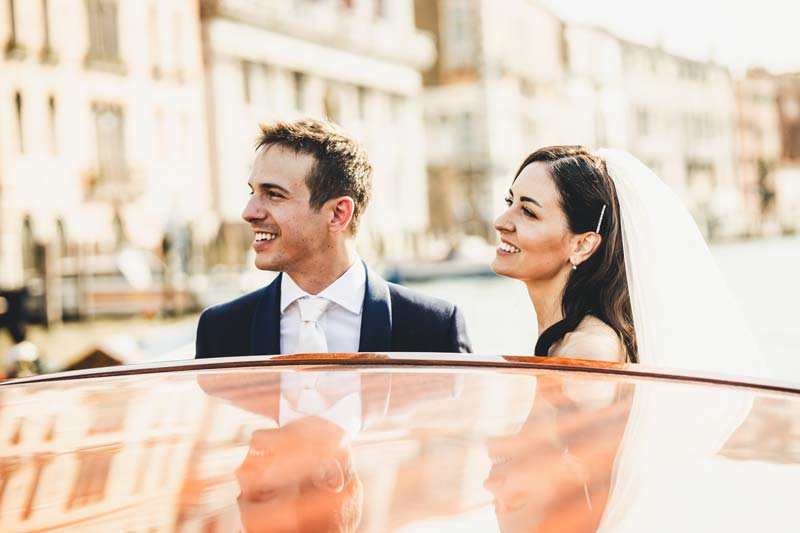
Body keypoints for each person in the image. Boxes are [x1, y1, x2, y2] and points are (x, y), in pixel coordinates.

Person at [195, 119, 472, 358]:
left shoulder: (434, 328)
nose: (249, 212)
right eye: (252, 192)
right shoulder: (219, 331)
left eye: (274, 194)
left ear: (339, 214)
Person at [493, 145, 764, 377]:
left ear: (582, 245)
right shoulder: (565, 341)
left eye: (528, 211)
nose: (501, 222)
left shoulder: (589, 351)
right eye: (510, 202)